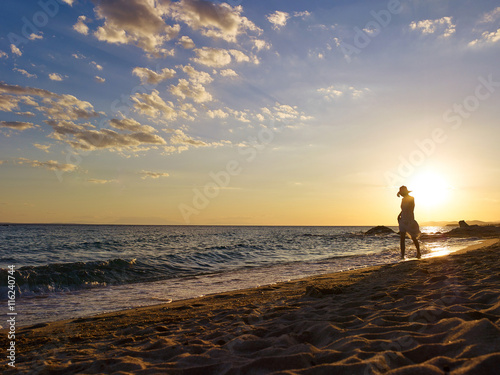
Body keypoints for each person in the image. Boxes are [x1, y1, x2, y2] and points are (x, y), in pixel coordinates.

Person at [397, 185, 421, 259]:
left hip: (409, 219)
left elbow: (411, 209)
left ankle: (419, 253)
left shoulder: (411, 198)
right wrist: (399, 215)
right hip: (403, 219)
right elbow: (403, 209)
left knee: (414, 237)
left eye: (401, 193)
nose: (400, 194)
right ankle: (402, 255)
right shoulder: (403, 199)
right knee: (402, 238)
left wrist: (407, 217)